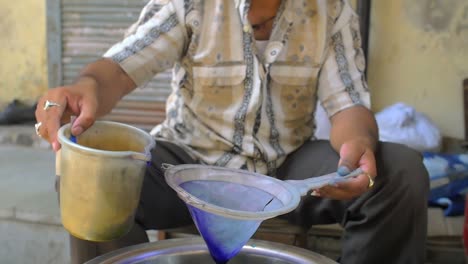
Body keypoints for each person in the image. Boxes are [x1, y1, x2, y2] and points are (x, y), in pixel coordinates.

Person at [34, 0, 429, 263]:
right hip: (189, 166)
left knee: (399, 174)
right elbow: (117, 70)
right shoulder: (190, 4)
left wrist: (357, 145)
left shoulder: (331, 10)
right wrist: (85, 88)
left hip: (284, 169)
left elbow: (348, 106)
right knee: (86, 173)